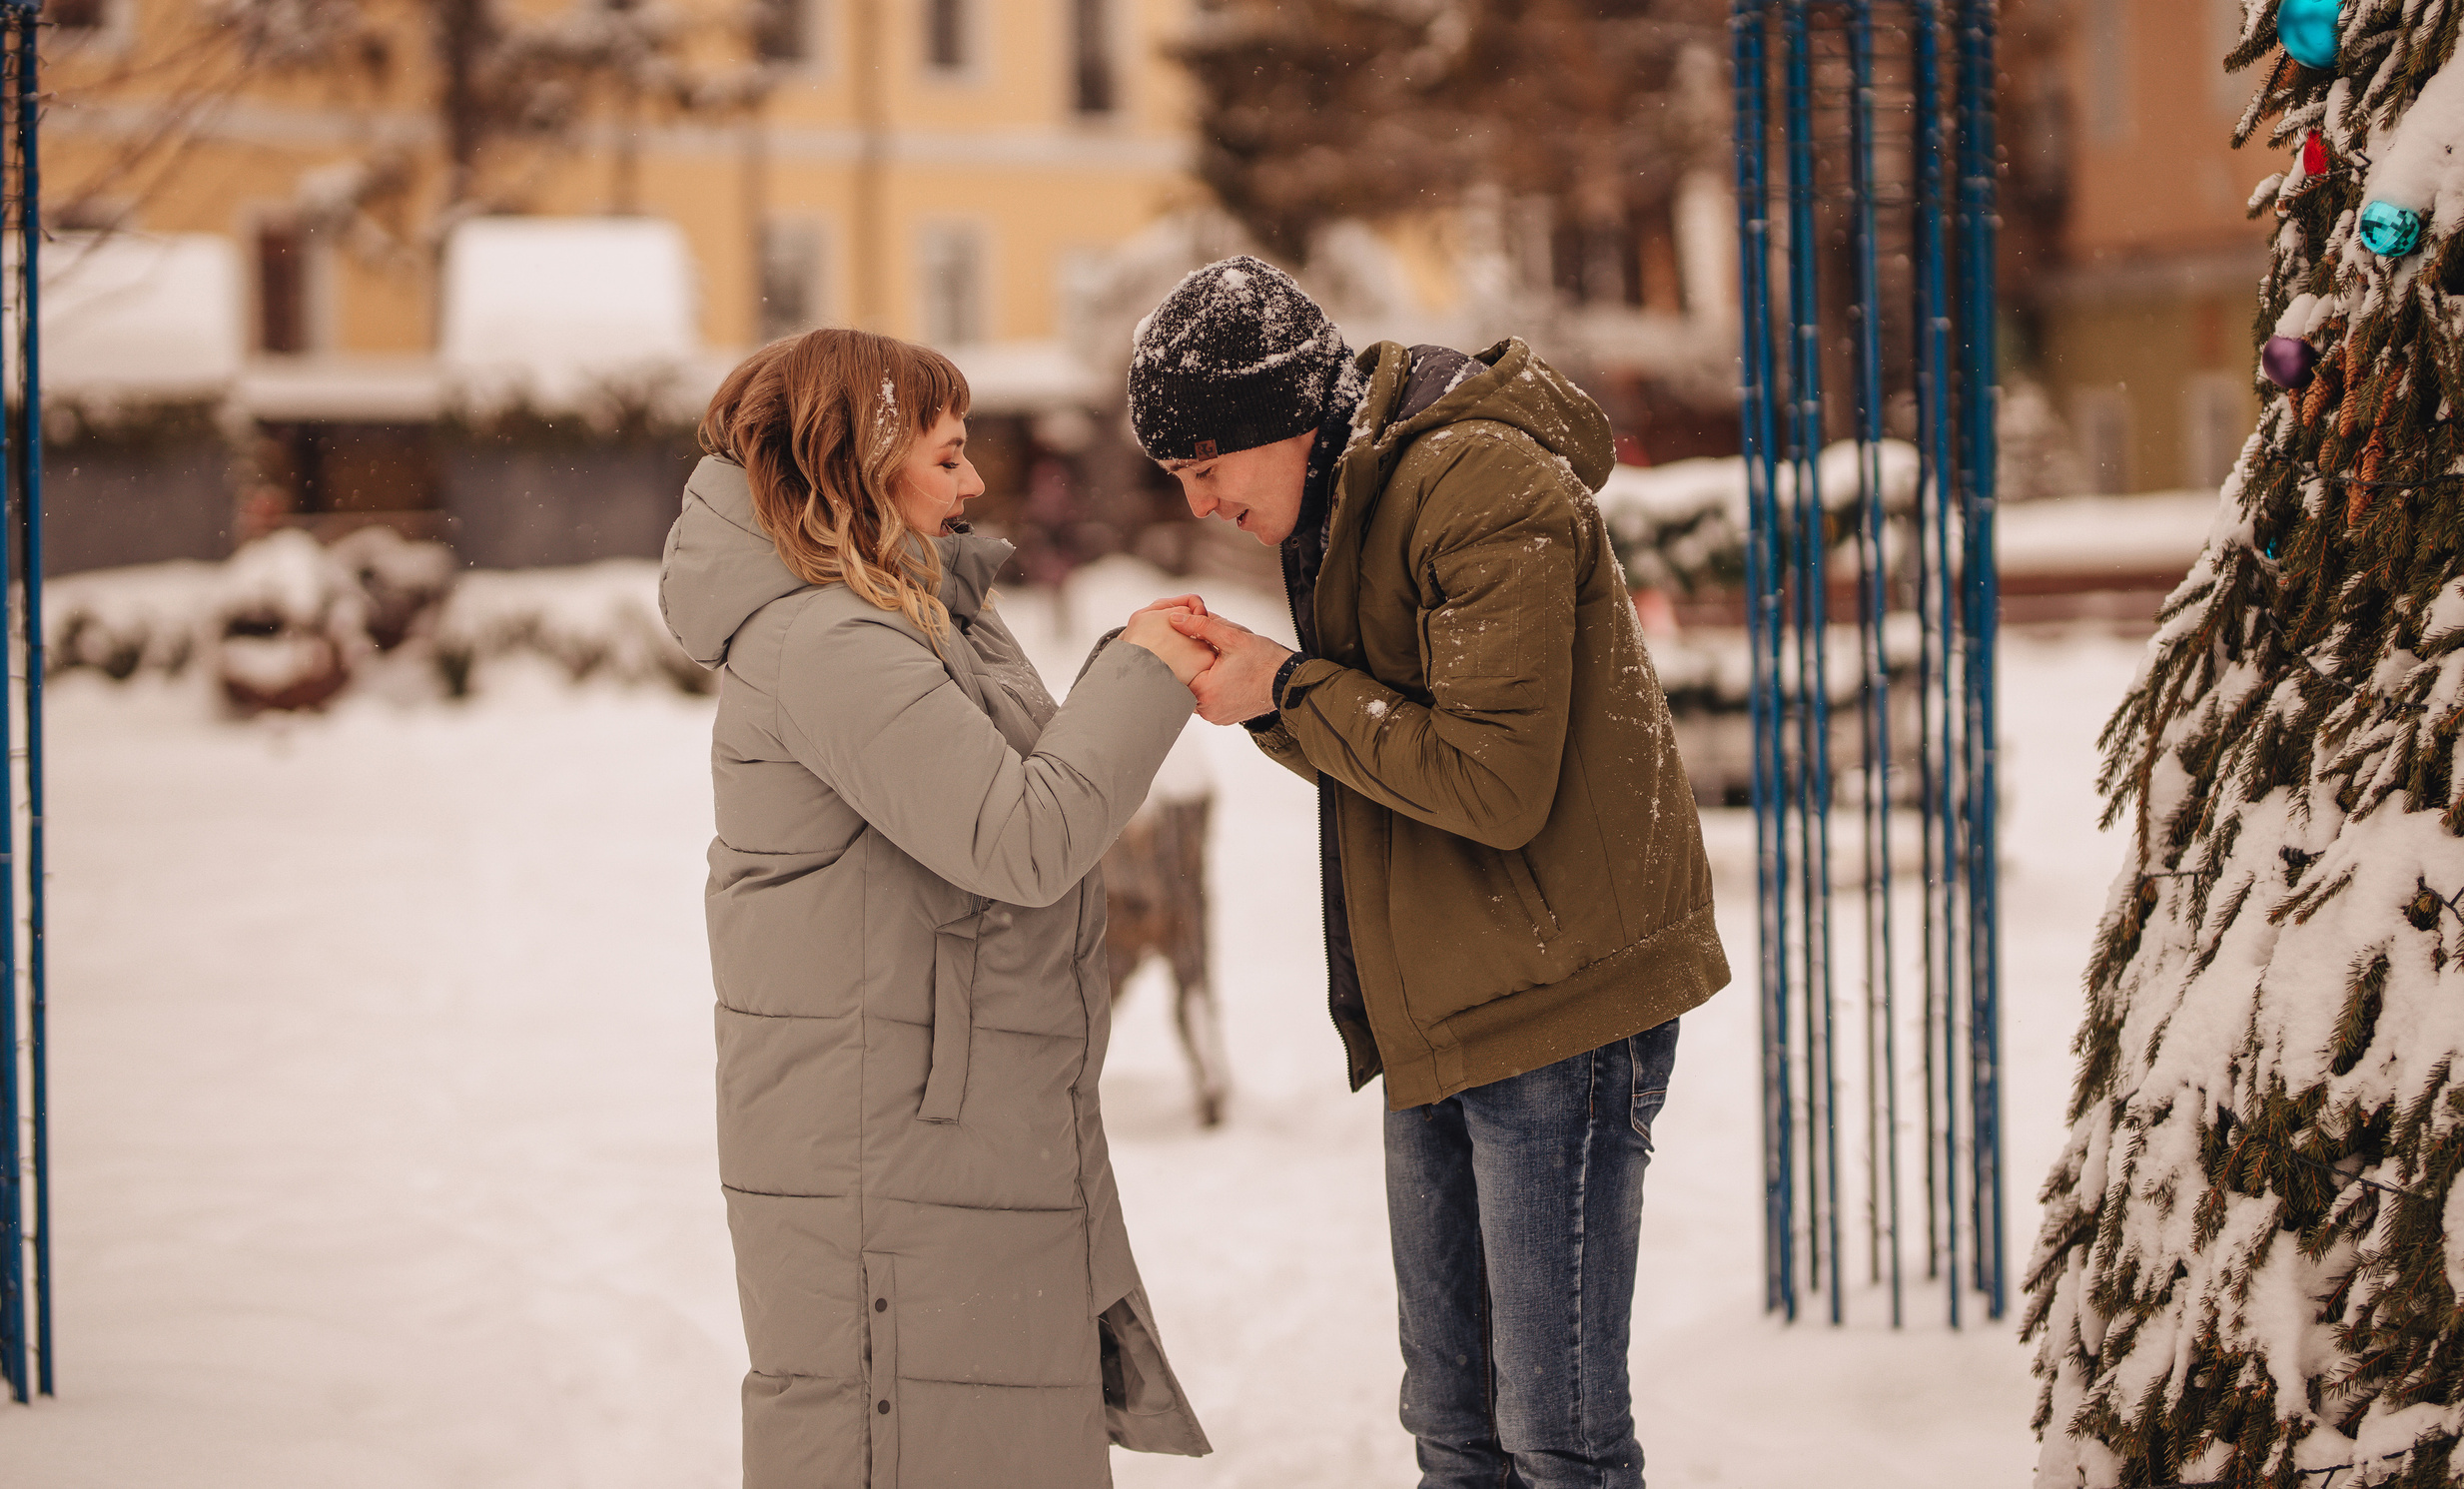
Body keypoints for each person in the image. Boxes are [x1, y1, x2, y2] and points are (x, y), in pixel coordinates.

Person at [1128, 257, 1729, 1489]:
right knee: (1454, 1432)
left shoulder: (1478, 483)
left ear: (1283, 421)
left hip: (1562, 1003)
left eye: (1206, 470)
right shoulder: (1348, 499)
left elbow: (1490, 781)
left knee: (1557, 1440)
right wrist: (1267, 691)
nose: (1198, 505)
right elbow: (1399, 752)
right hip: (1444, 1005)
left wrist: (1285, 688)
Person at [659, 327, 1215, 1488]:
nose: (972, 483)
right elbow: (1021, 837)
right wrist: (1144, 668)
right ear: (857, 465)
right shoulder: (825, 638)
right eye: (948, 454)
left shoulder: (903, 609)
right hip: (884, 1161)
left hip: (935, 1137)